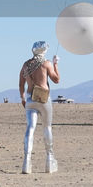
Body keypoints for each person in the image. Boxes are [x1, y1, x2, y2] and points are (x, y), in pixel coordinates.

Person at [18, 41, 60, 173]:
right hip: (44, 99)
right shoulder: (46, 64)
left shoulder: (26, 65)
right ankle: (49, 160)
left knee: (30, 128)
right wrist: (55, 64)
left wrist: (23, 98)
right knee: (47, 127)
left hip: (30, 98)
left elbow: (21, 84)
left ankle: (27, 161)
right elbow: (56, 79)